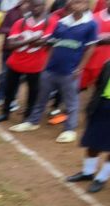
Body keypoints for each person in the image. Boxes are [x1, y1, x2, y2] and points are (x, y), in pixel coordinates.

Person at [10, 0, 98, 143]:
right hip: (51, 68)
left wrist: (80, 67)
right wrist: (46, 65)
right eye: (75, 2)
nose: (78, 5)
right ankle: (32, 122)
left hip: (71, 70)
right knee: (41, 97)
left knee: (71, 102)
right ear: (70, 4)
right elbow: (52, 44)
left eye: (81, 3)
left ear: (87, 5)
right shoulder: (62, 22)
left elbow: (91, 48)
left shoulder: (91, 24)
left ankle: (69, 129)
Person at [0, 0, 55, 123]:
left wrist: (22, 41)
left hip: (36, 65)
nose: (36, 8)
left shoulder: (50, 22)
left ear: (44, 7)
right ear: (30, 7)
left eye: (39, 6)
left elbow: (42, 42)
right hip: (15, 62)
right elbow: (10, 45)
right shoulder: (20, 22)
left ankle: (28, 115)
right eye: (34, 6)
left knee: (33, 91)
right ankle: (5, 113)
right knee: (9, 90)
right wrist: (32, 39)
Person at [65, 60, 110, 192]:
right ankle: (88, 172)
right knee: (93, 142)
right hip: (102, 105)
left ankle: (101, 178)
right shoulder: (108, 64)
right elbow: (99, 84)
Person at [0, 0, 32, 108]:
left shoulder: (33, 14)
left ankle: (13, 100)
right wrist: (15, 30)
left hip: (21, 52)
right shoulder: (12, 11)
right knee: (3, 75)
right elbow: (2, 28)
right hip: (7, 49)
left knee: (17, 77)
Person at [79, 1, 110, 90]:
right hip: (87, 58)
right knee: (78, 86)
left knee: (98, 88)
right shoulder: (93, 17)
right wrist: (99, 38)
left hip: (104, 61)